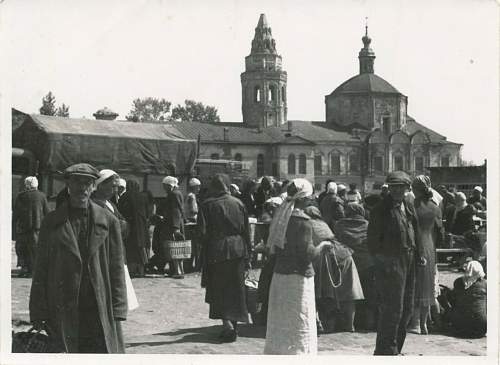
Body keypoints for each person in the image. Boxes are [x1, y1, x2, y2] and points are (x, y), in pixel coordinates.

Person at [29, 163, 127, 353]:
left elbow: (116, 268)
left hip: (98, 303)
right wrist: (38, 311)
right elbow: (41, 269)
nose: (81, 188)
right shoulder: (52, 222)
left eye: (87, 183)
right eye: (76, 182)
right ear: (68, 185)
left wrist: (118, 307)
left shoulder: (108, 221)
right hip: (63, 304)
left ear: (93, 187)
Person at [264, 178, 333, 355]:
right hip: (298, 278)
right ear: (303, 198)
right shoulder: (303, 221)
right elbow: (308, 254)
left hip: (280, 275)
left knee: (282, 320)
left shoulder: (281, 216)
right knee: (298, 320)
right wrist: (323, 246)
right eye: (309, 197)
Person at [367, 171, 425, 356]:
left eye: (401, 187)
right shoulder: (380, 210)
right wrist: (384, 264)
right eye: (394, 187)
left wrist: (420, 254)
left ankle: (396, 349)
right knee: (393, 309)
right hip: (392, 264)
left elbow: (416, 230)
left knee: (407, 308)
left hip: (409, 261)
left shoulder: (408, 205)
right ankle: (386, 351)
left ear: (407, 188)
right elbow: (373, 243)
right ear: (389, 188)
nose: (397, 190)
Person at [198, 174, 252, 342]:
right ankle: (233, 324)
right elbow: (246, 231)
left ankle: (227, 324)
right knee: (236, 288)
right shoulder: (239, 203)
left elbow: (202, 233)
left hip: (217, 251)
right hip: (237, 249)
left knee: (219, 288)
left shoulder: (207, 205)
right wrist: (248, 255)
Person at [304, 206, 364, 333]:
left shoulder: (307, 224)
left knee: (323, 293)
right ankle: (349, 325)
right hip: (344, 254)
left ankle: (323, 324)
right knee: (349, 292)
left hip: (325, 257)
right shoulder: (323, 224)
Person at [407, 176, 444, 335]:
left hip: (416, 244)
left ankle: (414, 323)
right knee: (427, 284)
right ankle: (424, 324)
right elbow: (440, 232)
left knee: (415, 283)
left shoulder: (412, 205)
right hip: (430, 245)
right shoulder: (435, 207)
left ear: (416, 189)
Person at [334, 202, 377, 330]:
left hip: (347, 263)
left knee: (349, 293)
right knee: (368, 293)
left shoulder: (339, 225)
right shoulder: (368, 226)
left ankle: (348, 323)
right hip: (367, 264)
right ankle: (368, 322)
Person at [12, 176, 50, 277]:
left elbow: (16, 213)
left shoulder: (21, 196)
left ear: (27, 185)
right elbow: (47, 212)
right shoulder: (42, 196)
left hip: (23, 228)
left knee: (22, 248)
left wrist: (14, 226)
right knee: (35, 249)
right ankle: (33, 270)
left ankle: (24, 268)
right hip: (37, 228)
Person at [151, 176, 186, 278]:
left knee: (173, 247)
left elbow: (176, 211)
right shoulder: (176, 193)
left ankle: (177, 271)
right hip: (174, 224)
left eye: (165, 186)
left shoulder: (174, 194)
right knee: (173, 247)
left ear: (169, 185)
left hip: (172, 226)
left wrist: (175, 228)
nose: (164, 188)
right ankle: (174, 270)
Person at [442, 261, 487, 338]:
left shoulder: (458, 282)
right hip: (481, 328)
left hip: (459, 327)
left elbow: (453, 299)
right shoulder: (485, 284)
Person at [119, 180, 151, 277]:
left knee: (131, 248)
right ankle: (141, 270)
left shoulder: (125, 197)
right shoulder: (143, 197)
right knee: (142, 247)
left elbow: (121, 211)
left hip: (131, 226)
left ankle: (132, 270)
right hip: (142, 226)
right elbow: (148, 212)